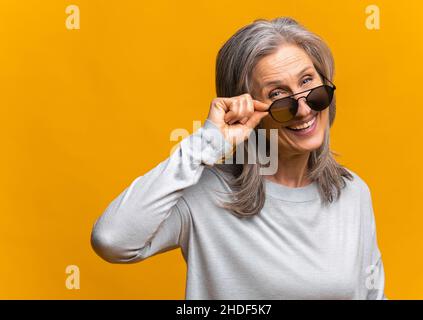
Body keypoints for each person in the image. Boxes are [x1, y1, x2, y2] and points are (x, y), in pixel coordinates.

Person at [91, 16, 387, 300]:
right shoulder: (206, 195)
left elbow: (372, 295)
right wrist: (209, 140)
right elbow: (113, 240)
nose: (304, 109)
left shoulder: (353, 193)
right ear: (247, 110)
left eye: (308, 81)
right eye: (278, 95)